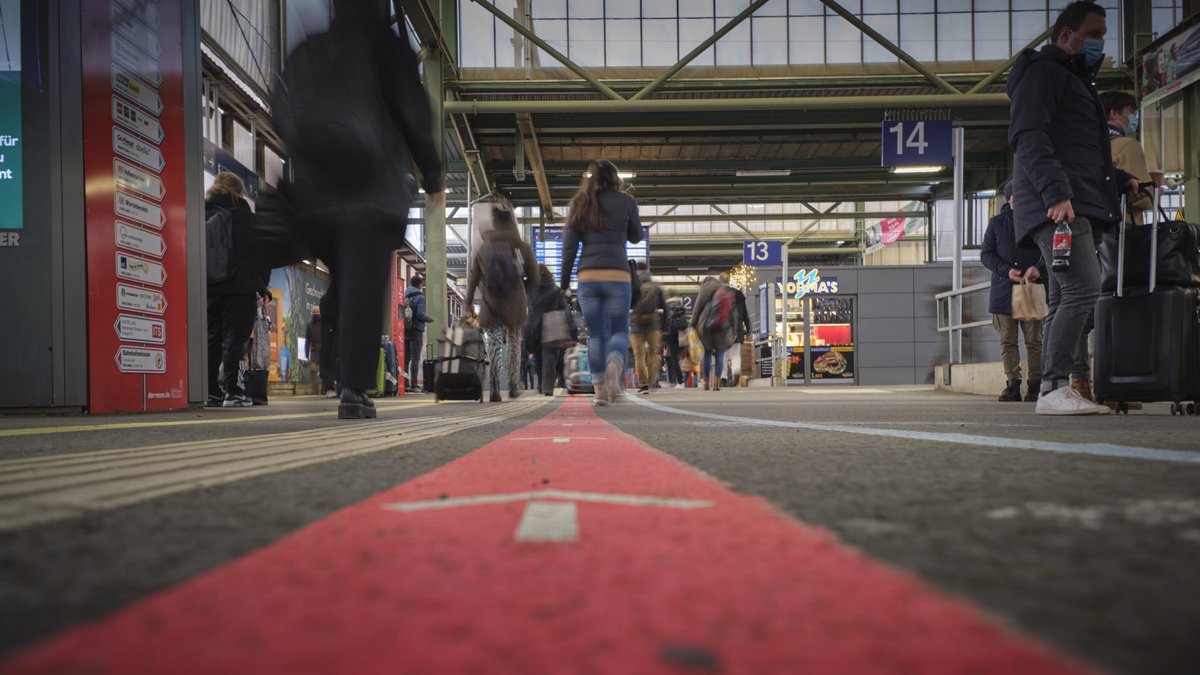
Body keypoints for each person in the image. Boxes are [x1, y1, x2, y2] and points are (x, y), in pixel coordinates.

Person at [273, 0, 443, 419]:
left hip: (317, 195)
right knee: (362, 289)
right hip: (371, 187)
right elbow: (414, 115)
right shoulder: (388, 46)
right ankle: (351, 388)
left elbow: (281, 109)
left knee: (343, 287)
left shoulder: (309, 48)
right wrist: (433, 177)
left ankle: (335, 376)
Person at [1007, 0, 1141, 415]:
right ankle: (1052, 388)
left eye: (1103, 35)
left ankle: (1056, 387)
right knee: (1083, 288)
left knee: (1067, 293)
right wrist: (1055, 193)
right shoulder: (1044, 74)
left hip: (1071, 200)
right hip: (1061, 206)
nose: (1100, 43)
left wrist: (1120, 179)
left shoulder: (1074, 81)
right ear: (1066, 35)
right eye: (1093, 34)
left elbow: (1079, 151)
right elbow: (1029, 136)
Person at [561, 159, 643, 406]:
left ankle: (599, 391)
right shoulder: (627, 201)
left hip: (588, 277)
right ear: (615, 178)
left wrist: (564, 282)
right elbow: (636, 236)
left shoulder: (579, 203)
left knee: (596, 334)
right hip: (618, 274)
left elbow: (569, 248)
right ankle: (614, 365)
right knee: (619, 330)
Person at [205, 172, 268, 408]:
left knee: (212, 338)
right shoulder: (244, 216)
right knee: (235, 339)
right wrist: (261, 285)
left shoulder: (203, 212)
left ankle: (210, 391)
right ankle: (233, 391)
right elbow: (261, 254)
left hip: (209, 285)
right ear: (239, 192)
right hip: (240, 286)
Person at [464, 206, 538, 402]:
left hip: (491, 301)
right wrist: (523, 291)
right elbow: (535, 277)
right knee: (514, 343)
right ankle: (513, 385)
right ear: (512, 222)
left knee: (494, 343)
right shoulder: (521, 246)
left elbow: (473, 278)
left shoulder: (484, 247)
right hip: (515, 302)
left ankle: (495, 386)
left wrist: (468, 303)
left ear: (495, 223)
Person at [980, 182, 1046, 402]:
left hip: (1031, 288)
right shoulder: (996, 224)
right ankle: (1013, 384)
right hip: (1003, 291)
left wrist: (1039, 268)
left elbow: (1049, 250)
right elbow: (986, 254)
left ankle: (1035, 385)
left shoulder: (1038, 221)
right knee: (1008, 340)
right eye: (1017, 196)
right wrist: (1006, 271)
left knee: (1034, 340)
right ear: (1009, 199)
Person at [1100, 90, 1154, 223]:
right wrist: (1155, 192)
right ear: (1113, 113)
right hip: (1124, 224)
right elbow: (1145, 198)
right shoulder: (1127, 145)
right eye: (1131, 113)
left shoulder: (1090, 145)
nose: (1135, 118)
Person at [526, 263, 569, 397]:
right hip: (552, 324)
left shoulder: (531, 288)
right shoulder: (555, 289)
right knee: (549, 355)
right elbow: (563, 308)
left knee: (538, 356)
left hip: (534, 325)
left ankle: (540, 384)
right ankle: (548, 386)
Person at [691, 275, 736, 392]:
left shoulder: (705, 288)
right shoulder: (724, 289)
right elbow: (732, 311)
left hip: (707, 325)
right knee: (720, 353)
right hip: (722, 326)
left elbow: (698, 307)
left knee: (707, 353)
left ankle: (706, 383)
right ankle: (716, 384)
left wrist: (693, 324)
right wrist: (734, 328)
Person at [630, 263, 666, 395]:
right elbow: (665, 308)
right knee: (653, 353)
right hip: (653, 325)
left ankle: (643, 384)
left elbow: (627, 305)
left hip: (636, 325)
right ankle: (650, 381)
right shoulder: (656, 287)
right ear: (648, 270)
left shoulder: (633, 286)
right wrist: (664, 326)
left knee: (639, 356)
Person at [403, 274, 434, 391]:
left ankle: (405, 384)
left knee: (406, 359)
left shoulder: (406, 295)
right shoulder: (420, 297)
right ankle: (414, 384)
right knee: (415, 358)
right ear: (420, 285)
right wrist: (429, 319)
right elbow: (420, 314)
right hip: (416, 330)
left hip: (406, 329)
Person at [318, 286, 339, 398]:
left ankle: (334, 387)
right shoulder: (325, 300)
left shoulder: (336, 300)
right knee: (329, 360)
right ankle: (329, 388)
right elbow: (326, 315)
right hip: (328, 334)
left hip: (334, 334)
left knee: (334, 360)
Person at [664, 299, 687, 388]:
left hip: (671, 336)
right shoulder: (681, 310)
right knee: (682, 357)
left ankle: (680, 381)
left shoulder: (668, 310)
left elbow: (664, 324)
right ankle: (682, 380)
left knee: (674, 359)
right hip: (681, 335)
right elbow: (685, 324)